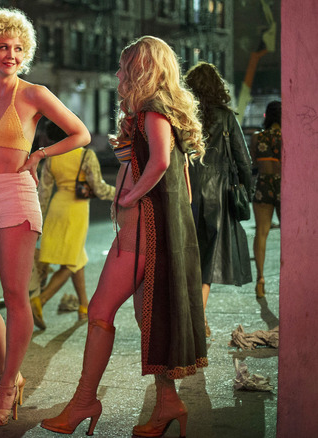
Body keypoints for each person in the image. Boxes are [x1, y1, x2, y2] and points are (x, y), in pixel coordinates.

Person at [40, 36, 207, 437]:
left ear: (140, 70)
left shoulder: (152, 110)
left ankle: (84, 402)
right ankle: (168, 403)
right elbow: (181, 181)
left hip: (141, 231)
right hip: (154, 230)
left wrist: (129, 196)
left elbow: (162, 162)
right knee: (146, 316)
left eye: (123, 67)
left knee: (99, 313)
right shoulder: (160, 111)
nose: (117, 74)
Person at [0, 7, 90, 427]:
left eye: (17, 48)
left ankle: (6, 385)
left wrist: (41, 154)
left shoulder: (33, 94)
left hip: (16, 197)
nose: (10, 54)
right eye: (1, 47)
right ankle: (11, 373)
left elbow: (79, 132)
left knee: (14, 294)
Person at [184, 62, 253, 337]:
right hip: (219, 196)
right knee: (209, 260)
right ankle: (198, 319)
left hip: (186, 192)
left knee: (190, 256)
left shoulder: (183, 116)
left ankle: (194, 316)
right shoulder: (226, 117)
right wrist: (248, 189)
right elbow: (243, 160)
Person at [30, 124, 116, 329]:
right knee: (70, 262)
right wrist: (122, 193)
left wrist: (37, 221)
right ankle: (40, 301)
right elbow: (100, 189)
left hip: (56, 209)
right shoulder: (86, 155)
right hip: (76, 211)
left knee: (77, 258)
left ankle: (83, 306)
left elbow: (43, 194)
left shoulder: (51, 158)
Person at [249, 101, 281, 299]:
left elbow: (253, 162)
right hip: (284, 185)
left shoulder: (257, 137)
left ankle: (260, 280)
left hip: (263, 184)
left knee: (261, 233)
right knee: (290, 236)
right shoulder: (287, 137)